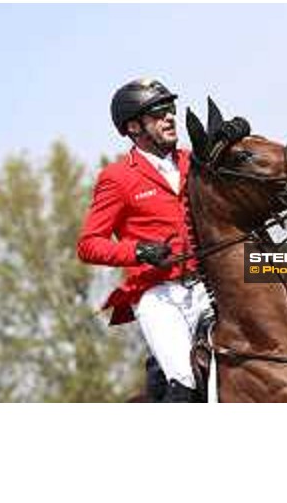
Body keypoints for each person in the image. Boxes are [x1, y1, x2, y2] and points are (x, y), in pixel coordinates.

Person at [77, 78, 212, 402]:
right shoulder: (118, 177)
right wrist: (138, 250)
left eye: (171, 110)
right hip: (159, 295)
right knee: (186, 378)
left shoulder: (191, 161)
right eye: (159, 112)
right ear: (134, 127)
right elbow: (89, 243)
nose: (170, 118)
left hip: (208, 284)